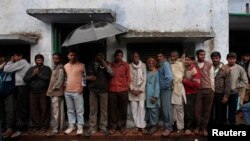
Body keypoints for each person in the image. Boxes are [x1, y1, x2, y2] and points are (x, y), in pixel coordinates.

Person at [84, 53, 113, 136]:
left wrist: (104, 64)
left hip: (103, 90)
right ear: (95, 56)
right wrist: (88, 78)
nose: (99, 57)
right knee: (93, 110)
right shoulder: (89, 64)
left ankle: (103, 127)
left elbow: (112, 74)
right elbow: (83, 76)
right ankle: (92, 128)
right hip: (93, 90)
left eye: (101, 56)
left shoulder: (107, 63)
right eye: (98, 56)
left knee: (104, 110)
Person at [3, 52, 30, 138]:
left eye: (14, 56)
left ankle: (21, 129)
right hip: (21, 87)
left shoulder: (21, 62)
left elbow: (6, 69)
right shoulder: (22, 63)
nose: (13, 57)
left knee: (21, 109)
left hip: (22, 87)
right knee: (21, 108)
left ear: (20, 56)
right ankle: (21, 128)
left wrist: (10, 61)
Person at [23, 54, 51, 134]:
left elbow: (48, 79)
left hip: (43, 92)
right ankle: (36, 125)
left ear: (43, 61)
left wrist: (38, 74)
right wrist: (33, 75)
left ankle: (44, 126)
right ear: (35, 61)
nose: (39, 62)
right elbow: (25, 79)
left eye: (41, 60)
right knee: (34, 109)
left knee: (44, 109)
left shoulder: (47, 69)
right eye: (38, 60)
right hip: (33, 92)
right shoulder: (31, 69)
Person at [63, 49, 86, 135]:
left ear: (76, 56)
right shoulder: (65, 66)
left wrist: (82, 88)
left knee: (79, 110)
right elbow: (65, 78)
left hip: (77, 91)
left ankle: (80, 126)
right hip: (67, 91)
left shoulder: (82, 65)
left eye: (74, 55)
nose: (72, 57)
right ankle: (72, 125)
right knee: (70, 110)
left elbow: (84, 77)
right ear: (68, 56)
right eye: (71, 55)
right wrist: (64, 88)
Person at [108, 49, 131, 135]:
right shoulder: (110, 65)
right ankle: (113, 126)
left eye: (120, 56)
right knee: (112, 110)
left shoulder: (126, 65)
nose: (119, 57)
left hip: (123, 90)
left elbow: (128, 77)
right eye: (117, 55)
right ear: (115, 56)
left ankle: (122, 126)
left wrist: (127, 86)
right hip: (112, 90)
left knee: (123, 109)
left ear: (122, 56)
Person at [194, 49, 214, 136]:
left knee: (207, 110)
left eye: (204, 54)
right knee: (197, 110)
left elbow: (212, 77)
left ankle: (204, 128)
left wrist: (212, 89)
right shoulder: (193, 64)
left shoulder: (209, 64)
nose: (203, 56)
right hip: (197, 90)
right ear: (197, 55)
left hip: (208, 90)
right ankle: (198, 126)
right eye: (201, 54)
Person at [226, 52, 248, 125]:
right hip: (223, 93)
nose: (231, 60)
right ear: (227, 59)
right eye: (230, 59)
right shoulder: (223, 67)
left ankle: (232, 122)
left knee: (233, 109)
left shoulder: (240, 68)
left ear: (235, 59)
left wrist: (236, 85)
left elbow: (245, 81)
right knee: (222, 109)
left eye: (233, 59)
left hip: (234, 92)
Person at [46, 53, 65, 136]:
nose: (55, 60)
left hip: (56, 93)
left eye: (56, 58)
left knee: (55, 112)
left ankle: (55, 129)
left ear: (60, 59)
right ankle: (59, 128)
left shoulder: (60, 68)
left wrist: (52, 89)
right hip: (57, 93)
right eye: (53, 58)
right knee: (58, 111)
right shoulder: (55, 67)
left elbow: (60, 81)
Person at [128, 52, 147, 134]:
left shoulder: (143, 65)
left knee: (142, 108)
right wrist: (132, 89)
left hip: (141, 91)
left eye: (137, 56)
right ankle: (136, 125)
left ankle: (142, 126)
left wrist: (140, 90)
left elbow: (145, 78)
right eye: (134, 56)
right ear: (132, 58)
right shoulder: (129, 66)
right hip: (132, 91)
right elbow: (128, 78)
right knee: (134, 109)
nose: (136, 57)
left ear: (139, 57)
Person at [210, 52, 231, 125]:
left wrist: (226, 96)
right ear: (211, 59)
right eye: (213, 58)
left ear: (219, 58)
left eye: (216, 58)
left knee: (220, 110)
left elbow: (228, 84)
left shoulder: (225, 69)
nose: (215, 60)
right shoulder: (209, 67)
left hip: (221, 93)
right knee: (210, 110)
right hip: (211, 92)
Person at [182, 55, 200, 135]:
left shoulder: (194, 70)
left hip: (191, 93)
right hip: (184, 92)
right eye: (185, 60)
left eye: (188, 60)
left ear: (192, 61)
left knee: (189, 111)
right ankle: (185, 126)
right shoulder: (184, 68)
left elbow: (196, 84)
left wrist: (185, 81)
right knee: (185, 110)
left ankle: (189, 128)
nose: (186, 61)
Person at [156, 52, 173, 137]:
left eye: (160, 56)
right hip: (161, 90)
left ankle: (168, 128)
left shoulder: (165, 64)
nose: (159, 58)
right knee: (163, 109)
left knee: (166, 110)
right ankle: (166, 126)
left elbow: (169, 78)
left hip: (165, 90)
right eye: (158, 56)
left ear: (164, 57)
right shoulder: (160, 65)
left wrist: (164, 87)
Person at [169, 51, 186, 134]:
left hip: (179, 88)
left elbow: (181, 75)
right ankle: (173, 125)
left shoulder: (181, 63)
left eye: (175, 56)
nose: (173, 57)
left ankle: (180, 127)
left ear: (178, 56)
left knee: (179, 108)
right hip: (171, 88)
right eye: (172, 56)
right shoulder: (169, 65)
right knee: (172, 108)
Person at [0, 54, 15, 138]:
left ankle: (9, 128)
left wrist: (11, 89)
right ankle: (2, 127)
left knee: (9, 110)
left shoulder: (8, 66)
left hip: (8, 92)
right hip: (1, 92)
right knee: (1, 111)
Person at [145, 58, 160, 135]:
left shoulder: (156, 72)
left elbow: (157, 84)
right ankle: (151, 125)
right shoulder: (147, 72)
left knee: (154, 111)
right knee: (149, 111)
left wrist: (155, 96)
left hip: (153, 95)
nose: (150, 64)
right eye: (149, 63)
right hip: (147, 94)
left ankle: (154, 126)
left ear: (154, 64)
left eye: (152, 63)